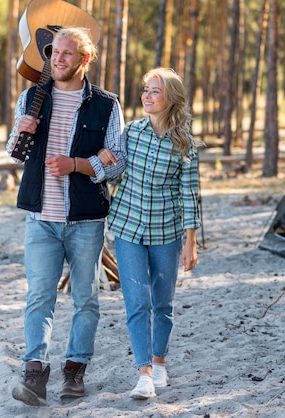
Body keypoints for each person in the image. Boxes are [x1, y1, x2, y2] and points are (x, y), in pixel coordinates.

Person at [6, 26, 125, 406]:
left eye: (67, 54)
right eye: (54, 52)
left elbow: (117, 161)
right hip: (41, 216)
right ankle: (34, 371)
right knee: (39, 296)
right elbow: (16, 153)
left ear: (84, 59)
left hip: (86, 220)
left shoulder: (106, 105)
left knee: (86, 298)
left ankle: (74, 371)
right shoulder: (31, 98)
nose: (58, 59)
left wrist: (76, 164)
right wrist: (18, 134)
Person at [98, 67, 200, 400]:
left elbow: (190, 193)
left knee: (163, 303)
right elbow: (114, 175)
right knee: (137, 302)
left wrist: (190, 242)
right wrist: (103, 158)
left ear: (171, 98)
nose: (147, 96)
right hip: (127, 226)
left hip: (166, 231)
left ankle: (159, 362)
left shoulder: (185, 141)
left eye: (155, 91)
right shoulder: (130, 132)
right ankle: (143, 374)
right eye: (145, 90)